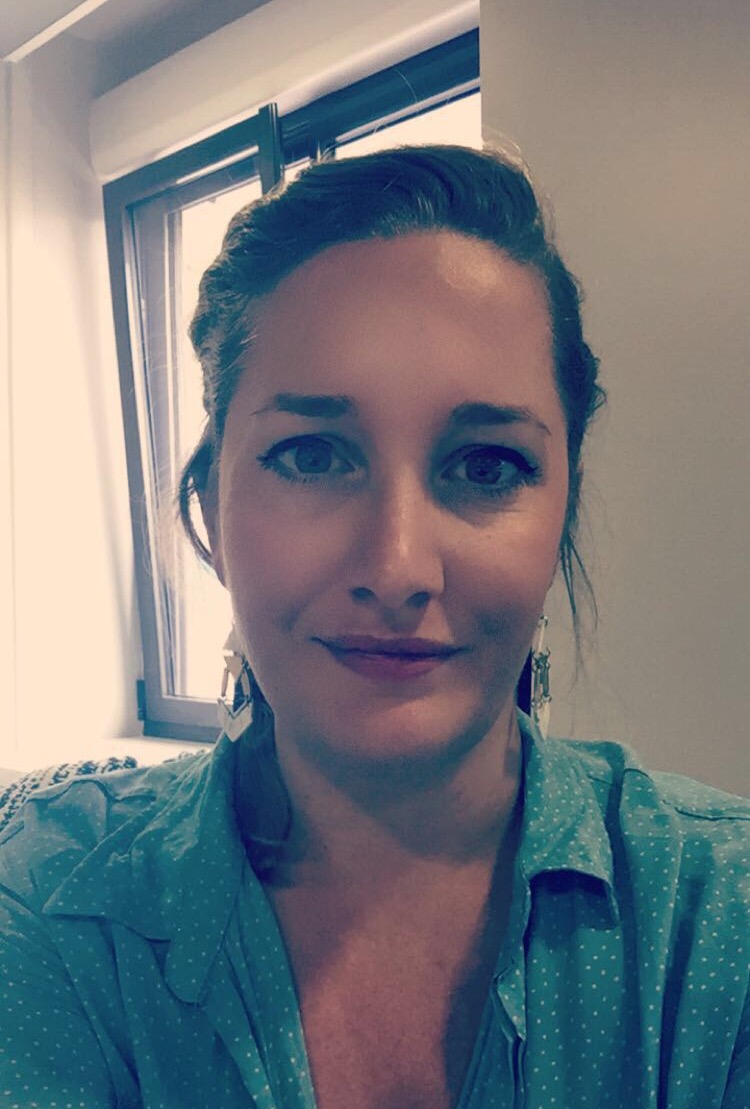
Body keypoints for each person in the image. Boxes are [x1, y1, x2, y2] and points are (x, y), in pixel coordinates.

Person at [0, 144, 747, 1109]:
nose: (397, 569)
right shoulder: (58, 904)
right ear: (210, 511)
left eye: (485, 466)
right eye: (312, 456)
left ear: (561, 510)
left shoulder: (717, 918)